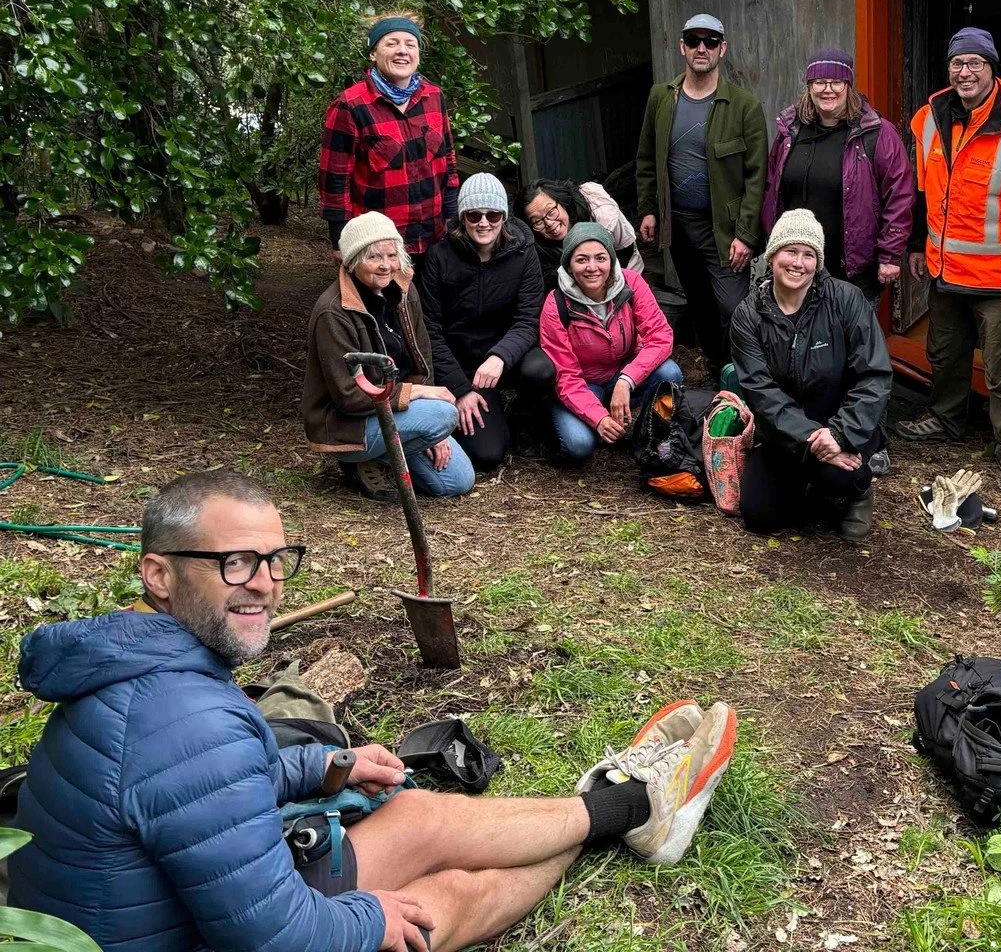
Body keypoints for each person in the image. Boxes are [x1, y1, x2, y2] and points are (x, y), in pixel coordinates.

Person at [8, 470, 737, 952]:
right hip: (202, 936)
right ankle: (632, 810)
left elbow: (197, 791)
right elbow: (277, 937)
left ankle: (620, 808)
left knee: (420, 818)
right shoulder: (185, 716)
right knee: (438, 901)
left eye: (275, 559)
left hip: (166, 915)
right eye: (234, 562)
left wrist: (324, 764)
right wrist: (374, 917)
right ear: (159, 573)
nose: (264, 584)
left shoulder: (134, 657)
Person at [895, 27, 1001, 500]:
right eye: (957, 63)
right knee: (945, 351)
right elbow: (925, 192)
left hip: (996, 279)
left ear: (992, 68)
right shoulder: (928, 119)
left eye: (975, 64)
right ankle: (946, 418)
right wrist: (918, 243)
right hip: (944, 271)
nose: (965, 72)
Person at [729, 210, 892, 543]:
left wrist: (840, 433)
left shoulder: (846, 300)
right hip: (784, 433)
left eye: (808, 254)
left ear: (818, 262)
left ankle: (858, 493)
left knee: (840, 476)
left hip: (844, 424)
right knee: (758, 515)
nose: (797, 263)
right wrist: (812, 436)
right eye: (790, 251)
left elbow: (874, 375)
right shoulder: (748, 315)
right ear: (772, 255)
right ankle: (809, 479)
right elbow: (760, 391)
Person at [303, 211, 474, 498]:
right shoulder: (333, 312)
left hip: (400, 411)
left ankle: (386, 454)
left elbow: (424, 356)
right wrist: (419, 398)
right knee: (444, 411)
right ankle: (360, 458)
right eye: (374, 258)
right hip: (351, 424)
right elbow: (350, 397)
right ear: (353, 260)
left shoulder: (406, 289)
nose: (386, 266)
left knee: (457, 482)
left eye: (392, 256)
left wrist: (431, 431)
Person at [635, 13, 768, 380]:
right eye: (694, 40)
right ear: (682, 46)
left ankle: (746, 377)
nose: (701, 48)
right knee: (700, 301)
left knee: (734, 306)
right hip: (678, 223)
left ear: (722, 50)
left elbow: (758, 177)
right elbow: (647, 157)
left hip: (723, 229)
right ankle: (715, 367)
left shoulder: (744, 106)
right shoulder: (661, 98)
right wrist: (649, 209)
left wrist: (745, 233)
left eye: (710, 41)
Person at [417, 174, 554, 475]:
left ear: (503, 217)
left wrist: (501, 356)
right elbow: (428, 329)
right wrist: (460, 388)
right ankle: (460, 413)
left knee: (542, 369)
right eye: (474, 215)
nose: (483, 223)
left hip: (503, 354)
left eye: (492, 215)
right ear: (462, 217)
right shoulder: (439, 256)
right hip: (461, 363)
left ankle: (524, 417)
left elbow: (528, 319)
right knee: (489, 454)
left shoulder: (523, 250)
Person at [760, 47, 914, 307]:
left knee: (850, 342)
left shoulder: (875, 132)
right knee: (797, 340)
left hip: (853, 270)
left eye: (836, 82)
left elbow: (900, 195)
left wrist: (890, 254)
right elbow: (771, 186)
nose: (827, 89)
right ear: (809, 86)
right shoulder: (791, 131)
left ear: (849, 86)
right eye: (819, 82)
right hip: (797, 266)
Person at [318, 12, 460, 268]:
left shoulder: (434, 97)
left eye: (410, 44)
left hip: (434, 237)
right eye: (391, 43)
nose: (402, 51)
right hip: (379, 247)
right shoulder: (350, 105)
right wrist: (339, 239)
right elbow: (334, 182)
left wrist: (452, 216)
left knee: (430, 307)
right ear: (373, 53)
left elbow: (448, 160)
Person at [539, 222, 683, 464]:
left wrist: (626, 381)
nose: (592, 268)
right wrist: (598, 418)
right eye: (582, 260)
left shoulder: (631, 284)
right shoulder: (556, 304)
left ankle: (647, 431)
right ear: (568, 266)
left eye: (600, 258)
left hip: (622, 375)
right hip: (585, 385)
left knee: (669, 372)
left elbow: (660, 337)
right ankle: (590, 423)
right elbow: (565, 376)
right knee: (578, 445)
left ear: (611, 260)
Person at [521, 177, 644, 291]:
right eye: (537, 221)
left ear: (563, 203)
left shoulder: (602, 214)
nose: (549, 223)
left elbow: (626, 251)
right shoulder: (534, 245)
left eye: (551, 211)